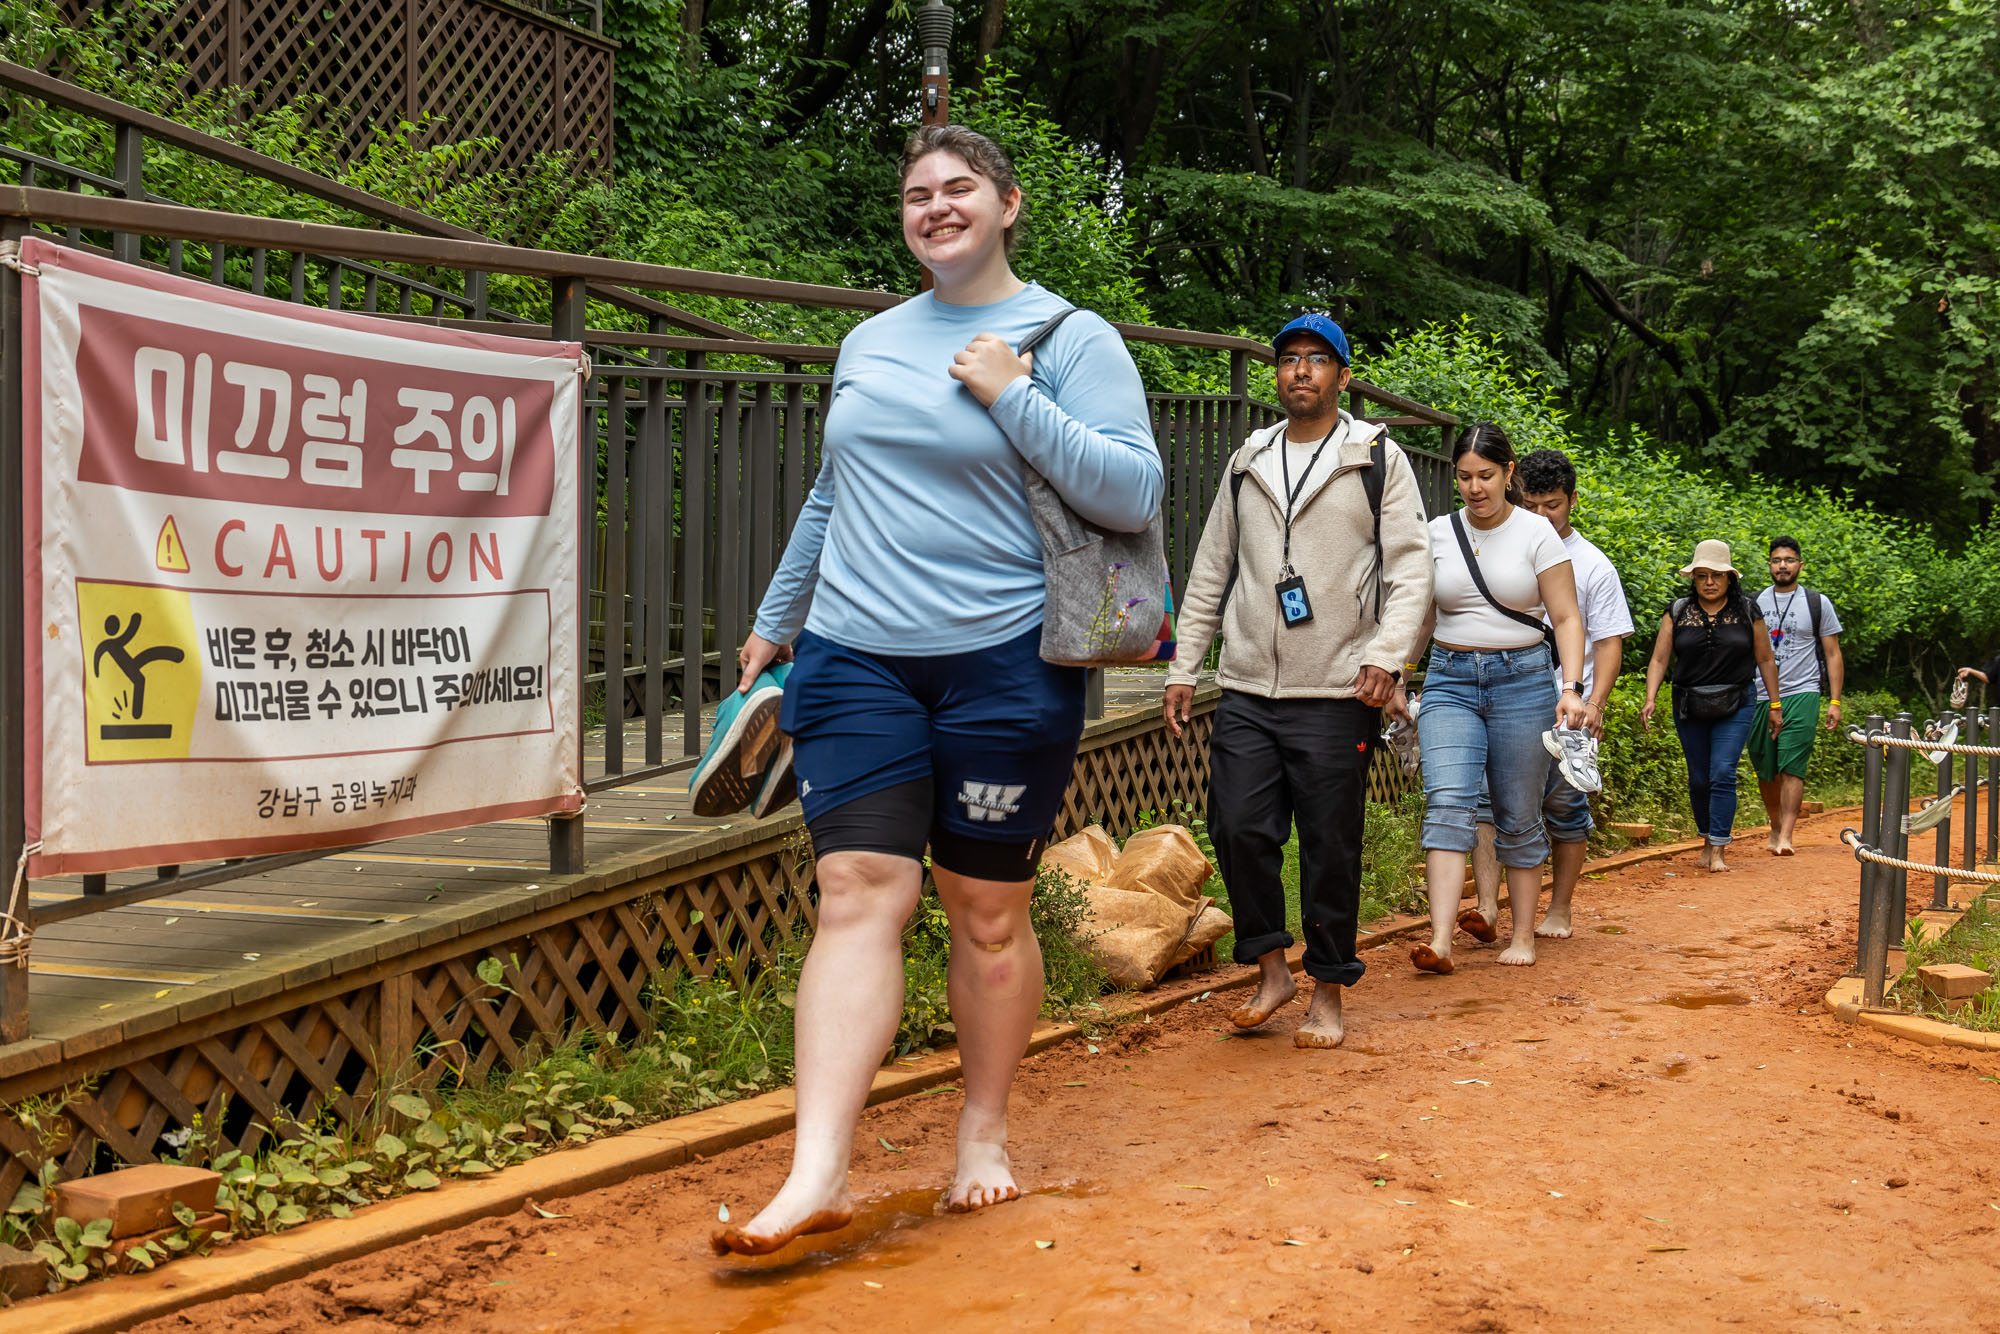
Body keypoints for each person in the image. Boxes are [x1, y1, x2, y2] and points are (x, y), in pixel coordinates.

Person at [711, 125, 1163, 1255]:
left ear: (1007, 204)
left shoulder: (1071, 336)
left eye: (960, 188)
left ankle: (982, 1130)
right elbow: (832, 492)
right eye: (917, 193)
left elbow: (1132, 491)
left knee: (987, 909)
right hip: (855, 653)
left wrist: (1014, 395)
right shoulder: (868, 340)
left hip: (1005, 660)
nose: (936, 207)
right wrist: (776, 619)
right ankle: (817, 1168)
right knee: (856, 888)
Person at [1162, 313, 1433, 1050]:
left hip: (1339, 688)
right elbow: (1212, 567)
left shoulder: (1375, 456)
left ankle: (1329, 990)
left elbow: (1412, 569)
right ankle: (1272, 970)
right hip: (1248, 684)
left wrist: (1387, 656)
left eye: (1317, 359)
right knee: (1237, 828)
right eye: (1288, 359)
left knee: (1329, 845)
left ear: (1342, 376)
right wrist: (1186, 665)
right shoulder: (1248, 458)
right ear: (1277, 375)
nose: (1301, 370)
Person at [1388, 424, 1589, 974]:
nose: (1474, 487)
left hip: (1522, 680)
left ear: (1508, 473)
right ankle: (1440, 940)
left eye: (1486, 475)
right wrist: (1401, 676)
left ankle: (1522, 934)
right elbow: (1423, 618)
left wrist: (1571, 689)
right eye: (1464, 477)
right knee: (1448, 802)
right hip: (1449, 679)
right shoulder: (1437, 533)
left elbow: (1567, 617)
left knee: (1517, 812)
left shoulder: (1537, 533)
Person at [1467, 448, 1633, 941]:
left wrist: (1595, 703)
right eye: (1532, 504)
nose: (1542, 516)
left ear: (1573, 501)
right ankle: (1486, 907)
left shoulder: (1594, 566)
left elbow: (1609, 643)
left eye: (1553, 505)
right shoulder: (1497, 547)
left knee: (1564, 808)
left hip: (1568, 710)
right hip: (1504, 696)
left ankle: (1559, 909)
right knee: (1487, 801)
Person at [1639, 541, 1783, 872]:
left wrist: (1775, 704)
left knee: (1722, 772)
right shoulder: (1677, 611)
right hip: (1688, 703)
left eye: (1716, 575)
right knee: (1699, 778)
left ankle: (1718, 847)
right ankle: (1706, 838)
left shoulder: (1747, 611)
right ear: (1693, 578)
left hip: (1737, 701)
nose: (1709, 582)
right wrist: (1650, 698)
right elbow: (1660, 658)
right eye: (1702, 575)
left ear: (1729, 577)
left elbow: (1765, 659)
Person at [1747, 536, 1845, 856]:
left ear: (1800, 565)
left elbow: (1832, 653)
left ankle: (1787, 835)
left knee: (1792, 765)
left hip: (1803, 692)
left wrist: (1834, 701)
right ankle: (1775, 825)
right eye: (1777, 560)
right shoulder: (1753, 602)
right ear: (1769, 565)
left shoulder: (1817, 603)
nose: (1783, 566)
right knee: (1765, 767)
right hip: (1761, 694)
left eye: (1789, 560)